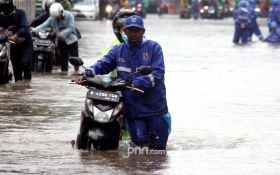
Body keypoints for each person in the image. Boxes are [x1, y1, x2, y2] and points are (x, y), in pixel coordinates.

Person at [75, 15, 171, 150]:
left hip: (154, 106)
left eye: (136, 30)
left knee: (159, 148)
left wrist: (138, 82)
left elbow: (158, 73)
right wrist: (86, 74)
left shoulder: (154, 48)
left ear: (143, 31)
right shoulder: (117, 50)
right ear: (124, 32)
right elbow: (103, 64)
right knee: (139, 143)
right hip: (133, 107)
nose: (133, 33)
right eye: (130, 30)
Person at [32, 3, 79, 72]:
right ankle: (64, 74)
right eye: (55, 17)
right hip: (61, 42)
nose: (57, 18)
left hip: (72, 41)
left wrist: (61, 34)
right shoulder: (52, 18)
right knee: (63, 61)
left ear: (61, 12)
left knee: (75, 60)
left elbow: (71, 28)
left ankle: (76, 72)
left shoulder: (69, 15)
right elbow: (43, 25)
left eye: (58, 17)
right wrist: (33, 30)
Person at [0, 0, 33, 83]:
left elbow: (25, 27)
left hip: (25, 43)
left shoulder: (21, 13)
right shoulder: (1, 15)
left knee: (25, 64)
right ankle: (18, 88)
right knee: (16, 68)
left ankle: (27, 85)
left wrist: (15, 35)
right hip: (13, 45)